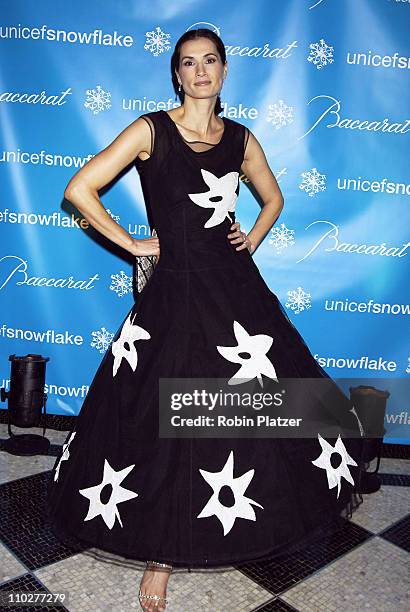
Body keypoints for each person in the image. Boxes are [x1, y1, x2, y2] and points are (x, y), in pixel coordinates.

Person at [46, 29, 364, 611]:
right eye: (188, 63)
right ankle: (162, 554)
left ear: (223, 71)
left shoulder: (240, 140)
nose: (199, 72)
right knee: (168, 415)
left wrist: (253, 238)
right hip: (172, 297)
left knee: (250, 410)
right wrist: (135, 246)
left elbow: (273, 199)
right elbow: (80, 189)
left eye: (209, 61)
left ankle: (240, 524)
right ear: (176, 75)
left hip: (237, 293)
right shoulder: (151, 131)